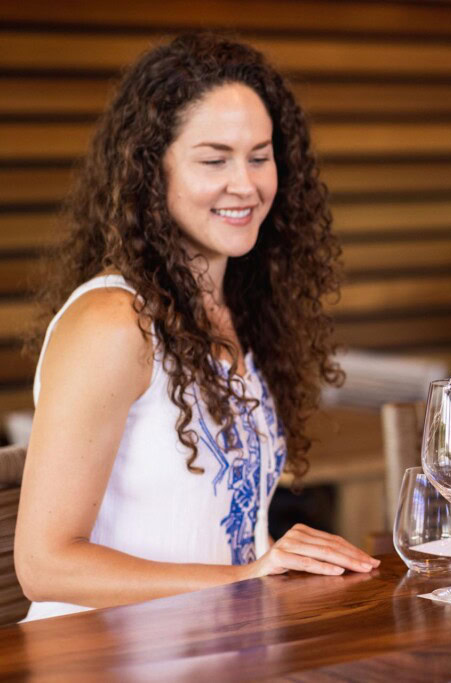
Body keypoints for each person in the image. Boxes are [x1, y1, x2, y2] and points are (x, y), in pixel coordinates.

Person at [14, 33, 379, 622]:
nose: (247, 184)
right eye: (214, 160)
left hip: (219, 651)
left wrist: (278, 568)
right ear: (148, 171)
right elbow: (45, 564)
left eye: (260, 156)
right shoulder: (113, 322)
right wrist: (248, 577)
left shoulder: (240, 311)